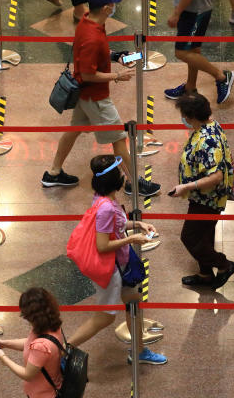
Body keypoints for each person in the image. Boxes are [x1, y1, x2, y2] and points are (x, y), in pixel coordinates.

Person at [41, 0, 161, 197]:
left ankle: (53, 173)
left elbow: (97, 53)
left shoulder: (88, 21)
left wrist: (116, 57)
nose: (114, 7)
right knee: (118, 138)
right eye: (113, 4)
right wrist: (117, 76)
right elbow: (88, 74)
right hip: (95, 97)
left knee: (74, 130)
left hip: (84, 96)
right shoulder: (92, 36)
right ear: (106, 8)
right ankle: (134, 183)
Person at [66, 155, 166, 366]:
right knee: (105, 317)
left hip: (119, 265)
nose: (123, 175)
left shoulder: (103, 199)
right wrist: (132, 239)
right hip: (111, 269)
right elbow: (102, 245)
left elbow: (116, 226)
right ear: (115, 181)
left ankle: (139, 351)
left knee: (133, 301)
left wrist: (137, 224)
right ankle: (64, 350)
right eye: (121, 173)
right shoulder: (106, 208)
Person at [169, 93, 234, 289]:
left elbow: (215, 177)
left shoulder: (208, 141)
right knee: (205, 235)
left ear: (191, 117)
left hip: (207, 199)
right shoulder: (209, 124)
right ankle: (205, 274)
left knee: (189, 237)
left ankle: (225, 265)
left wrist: (186, 187)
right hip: (201, 197)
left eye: (184, 115)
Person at [0, 287, 64, 397]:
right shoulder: (51, 326)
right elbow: (29, 343)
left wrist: (3, 357)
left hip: (42, 394)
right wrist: (5, 343)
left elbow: (27, 374)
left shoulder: (41, 346)